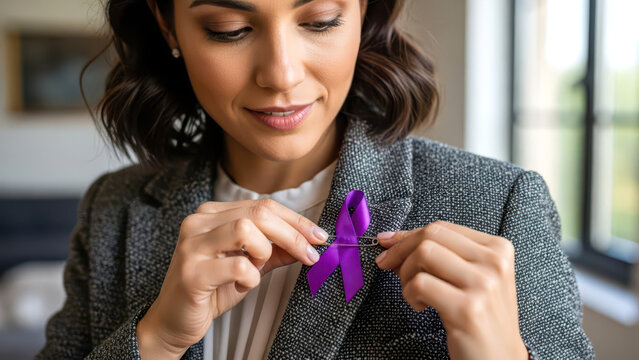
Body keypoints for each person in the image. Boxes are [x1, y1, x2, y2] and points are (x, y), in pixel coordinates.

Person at [36, 0, 595, 359]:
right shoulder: (114, 209)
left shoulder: (498, 203)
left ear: (362, 14)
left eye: (320, 20)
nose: (281, 74)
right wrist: (155, 339)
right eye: (228, 29)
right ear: (167, 25)